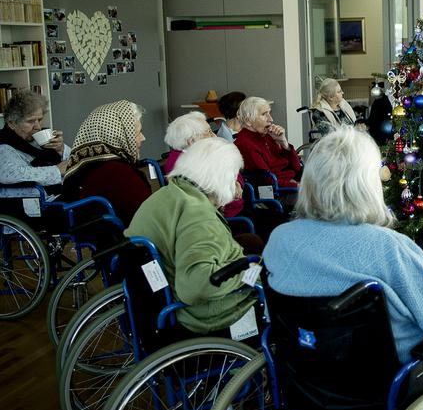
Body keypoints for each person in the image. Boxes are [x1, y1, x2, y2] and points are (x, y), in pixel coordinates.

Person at [262, 126, 423, 363]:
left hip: (307, 369)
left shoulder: (280, 238)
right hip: (388, 375)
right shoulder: (388, 247)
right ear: (367, 184)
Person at [126, 137, 258, 334]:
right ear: (220, 177)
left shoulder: (173, 192)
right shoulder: (199, 216)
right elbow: (196, 286)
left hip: (160, 295)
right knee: (272, 284)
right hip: (198, 315)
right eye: (233, 177)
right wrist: (250, 274)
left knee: (251, 242)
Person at [62, 100, 151, 223]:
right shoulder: (118, 173)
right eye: (138, 133)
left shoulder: (85, 166)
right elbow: (148, 217)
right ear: (119, 135)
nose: (143, 138)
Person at [0, 90, 68, 193]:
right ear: (12, 123)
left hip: (61, 193)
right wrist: (56, 171)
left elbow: (71, 163)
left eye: (40, 120)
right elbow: (11, 174)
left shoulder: (39, 137)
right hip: (40, 203)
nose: (38, 127)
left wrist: (61, 149)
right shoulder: (3, 146)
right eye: (30, 121)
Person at [234, 96, 302, 189]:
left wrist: (284, 143)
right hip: (279, 191)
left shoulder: (267, 135)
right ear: (248, 121)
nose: (271, 119)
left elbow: (297, 167)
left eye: (269, 113)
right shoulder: (245, 144)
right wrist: (299, 186)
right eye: (264, 114)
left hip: (293, 182)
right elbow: (267, 181)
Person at [309, 77, 357, 142]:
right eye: (339, 91)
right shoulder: (319, 113)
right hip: (333, 148)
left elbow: (353, 123)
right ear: (331, 97)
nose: (342, 93)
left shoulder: (343, 104)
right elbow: (330, 136)